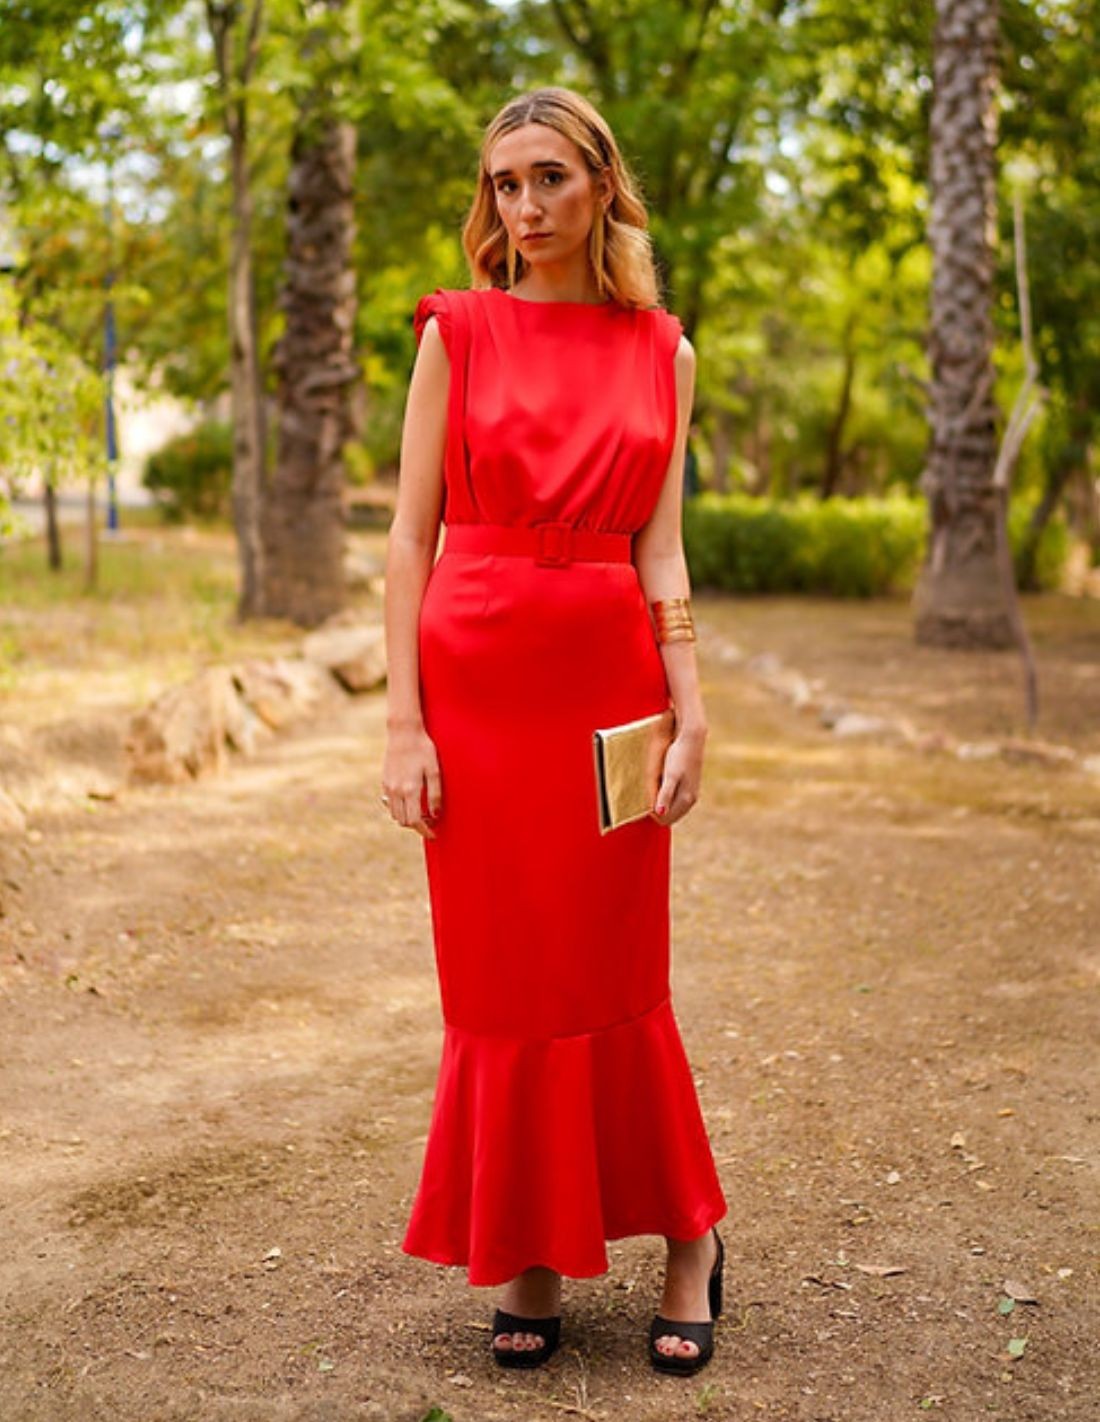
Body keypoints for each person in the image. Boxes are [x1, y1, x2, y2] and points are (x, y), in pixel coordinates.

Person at [381, 85, 728, 1377]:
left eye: (548, 178)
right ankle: (527, 1244)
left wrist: (692, 703)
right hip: (473, 694)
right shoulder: (457, 331)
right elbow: (408, 537)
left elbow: (661, 547)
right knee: (500, 980)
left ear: (600, 185)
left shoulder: (663, 350)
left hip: (608, 688)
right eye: (504, 183)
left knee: (612, 974)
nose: (523, 206)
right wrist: (403, 724)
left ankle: (690, 1237)